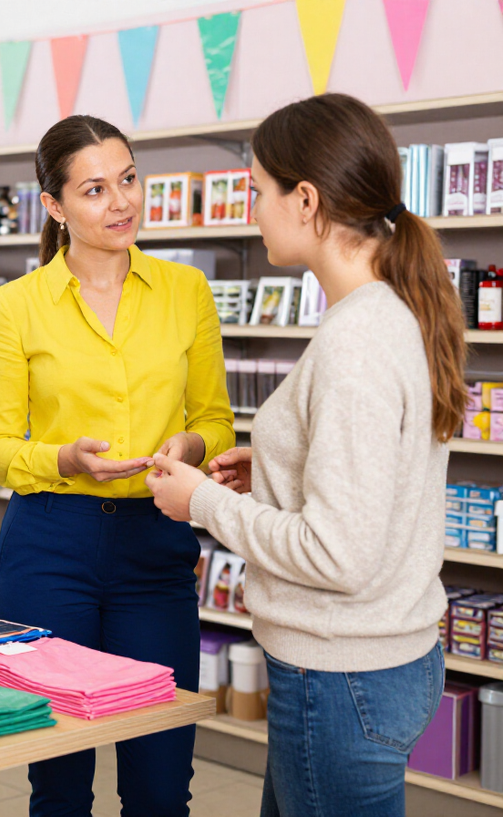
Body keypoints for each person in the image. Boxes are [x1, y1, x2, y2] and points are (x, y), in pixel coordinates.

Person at [147, 93, 464, 817]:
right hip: (378, 662)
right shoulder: (393, 307)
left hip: (341, 675)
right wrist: (281, 465)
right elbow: (385, 467)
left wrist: (202, 501)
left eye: (259, 189)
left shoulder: (355, 340)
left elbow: (336, 554)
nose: (253, 210)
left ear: (307, 199)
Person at [0, 114, 234, 817]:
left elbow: (216, 420)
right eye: (94, 189)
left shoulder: (186, 292)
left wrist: (189, 448)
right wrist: (62, 458)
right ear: (54, 206)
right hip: (50, 547)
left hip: (156, 543)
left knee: (159, 780)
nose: (120, 202)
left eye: (128, 180)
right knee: (58, 782)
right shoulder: (16, 307)